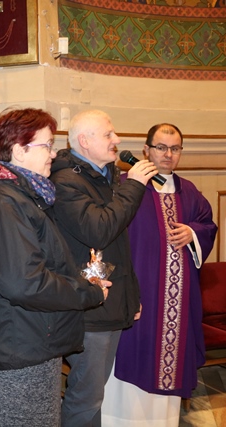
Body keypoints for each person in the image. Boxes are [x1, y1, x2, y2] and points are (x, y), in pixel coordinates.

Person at [0, 107, 109, 426]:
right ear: (19, 150)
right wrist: (87, 293)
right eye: (47, 145)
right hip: (16, 348)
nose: (54, 154)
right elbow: (24, 283)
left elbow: (39, 265)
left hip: (33, 339)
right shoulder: (2, 202)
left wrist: (83, 280)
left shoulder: (24, 196)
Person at [102, 123, 218, 426]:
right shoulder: (127, 186)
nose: (168, 154)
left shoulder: (189, 192)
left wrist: (193, 232)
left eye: (175, 148)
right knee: (130, 357)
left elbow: (207, 224)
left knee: (170, 366)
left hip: (176, 304)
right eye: (161, 147)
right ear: (146, 150)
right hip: (138, 293)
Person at [49, 109, 159, 427]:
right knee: (86, 395)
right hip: (86, 305)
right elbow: (98, 231)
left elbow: (117, 248)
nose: (117, 139)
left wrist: (130, 296)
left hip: (108, 300)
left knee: (94, 393)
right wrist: (134, 185)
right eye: (109, 134)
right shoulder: (66, 183)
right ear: (85, 141)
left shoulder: (106, 177)